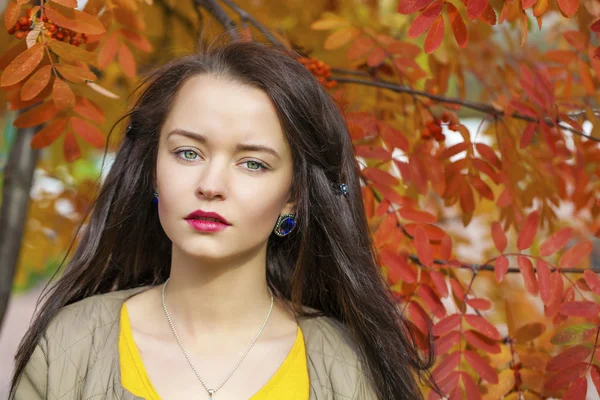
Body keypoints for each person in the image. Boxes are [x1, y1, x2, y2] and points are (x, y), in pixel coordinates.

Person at [10, 33, 433, 400]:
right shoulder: (72, 343)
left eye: (253, 163)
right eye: (188, 153)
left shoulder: (343, 366)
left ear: (294, 197)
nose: (210, 185)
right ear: (154, 171)